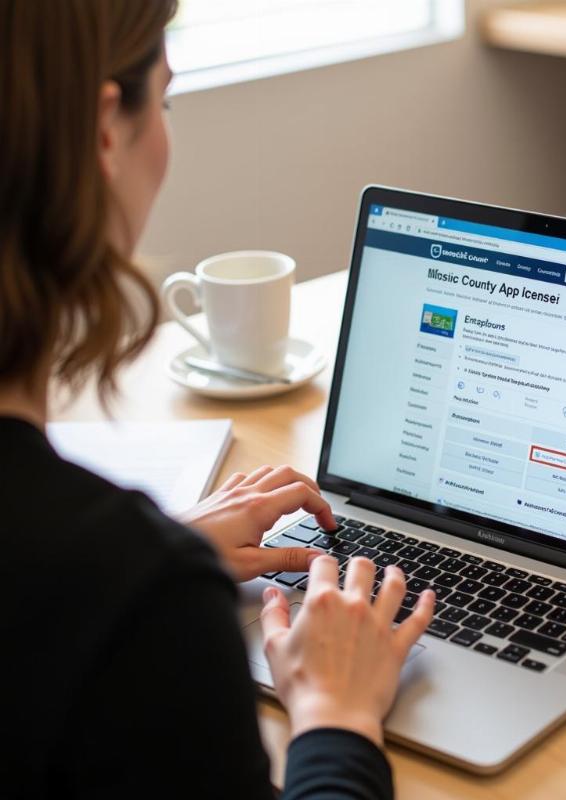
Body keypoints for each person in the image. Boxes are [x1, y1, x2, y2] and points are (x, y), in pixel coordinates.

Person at [0, 2, 434, 798]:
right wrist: (337, 716)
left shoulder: (121, 575)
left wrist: (166, 549)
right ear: (105, 130)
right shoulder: (140, 603)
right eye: (161, 101)